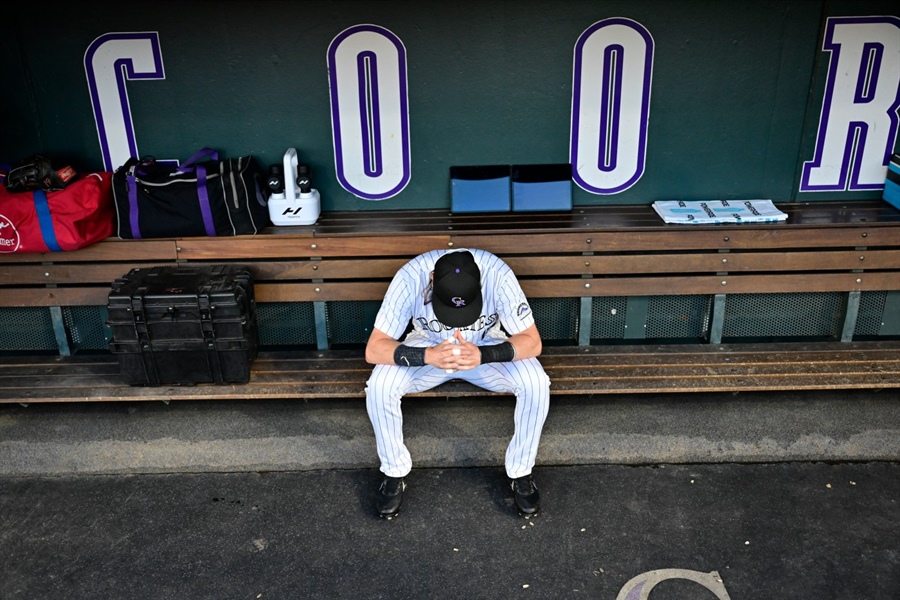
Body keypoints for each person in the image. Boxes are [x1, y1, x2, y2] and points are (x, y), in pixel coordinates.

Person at [364, 248, 551, 519]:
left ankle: (520, 471)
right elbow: (374, 349)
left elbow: (532, 341)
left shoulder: (496, 273)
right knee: (380, 385)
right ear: (431, 280)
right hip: (429, 347)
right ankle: (394, 472)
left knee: (535, 381)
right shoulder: (410, 277)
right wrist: (426, 355)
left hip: (484, 346)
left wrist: (484, 355)